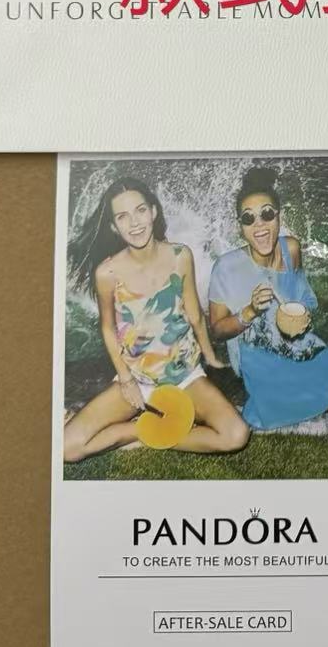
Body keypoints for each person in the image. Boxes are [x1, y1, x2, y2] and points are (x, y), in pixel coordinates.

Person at [63, 177, 249, 462]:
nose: (134, 223)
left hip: (185, 376)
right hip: (137, 379)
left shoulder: (180, 255)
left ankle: (155, 430)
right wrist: (126, 380)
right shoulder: (107, 273)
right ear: (113, 226)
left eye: (140, 210)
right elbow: (107, 328)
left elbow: (194, 314)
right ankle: (143, 430)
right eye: (122, 216)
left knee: (236, 435)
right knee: (68, 449)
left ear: (153, 211)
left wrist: (210, 358)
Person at [208, 166, 328, 430]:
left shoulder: (291, 249)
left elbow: (304, 301)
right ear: (240, 227)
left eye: (267, 214)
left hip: (305, 352)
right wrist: (250, 311)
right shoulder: (226, 267)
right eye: (248, 218)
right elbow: (218, 331)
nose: (259, 225)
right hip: (268, 372)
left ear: (279, 216)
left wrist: (301, 315)